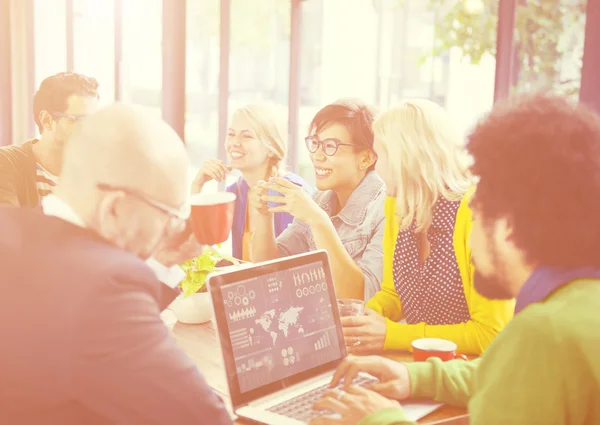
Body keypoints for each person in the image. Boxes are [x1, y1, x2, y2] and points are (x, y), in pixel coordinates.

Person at [308, 94, 600, 425]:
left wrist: (381, 419)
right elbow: (502, 373)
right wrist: (416, 378)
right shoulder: (577, 310)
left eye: (480, 207)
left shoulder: (543, 334)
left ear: (506, 226)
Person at [0, 104, 233, 425]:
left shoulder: (16, 233)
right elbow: (204, 418)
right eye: (168, 214)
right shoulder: (101, 291)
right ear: (114, 208)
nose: (173, 228)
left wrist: (162, 261)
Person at [342, 99, 513, 355]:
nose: (375, 167)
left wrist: (393, 335)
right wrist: (363, 320)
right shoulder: (396, 204)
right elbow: (394, 293)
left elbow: (490, 334)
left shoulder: (478, 214)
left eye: (380, 156)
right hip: (421, 369)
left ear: (406, 159)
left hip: (471, 376)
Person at [250, 98, 386, 300]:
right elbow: (270, 269)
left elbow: (362, 297)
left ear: (366, 158)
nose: (317, 156)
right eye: (315, 143)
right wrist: (263, 215)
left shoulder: (385, 208)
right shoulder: (321, 199)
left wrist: (319, 221)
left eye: (331, 146)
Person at [191, 104, 311, 261]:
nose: (235, 142)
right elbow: (200, 249)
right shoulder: (235, 192)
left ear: (271, 148)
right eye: (231, 134)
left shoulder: (292, 193)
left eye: (246, 136)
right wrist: (196, 187)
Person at [0, 72, 100, 207]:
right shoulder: (7, 163)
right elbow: (7, 224)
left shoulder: (98, 170)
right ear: (46, 120)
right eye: (80, 120)